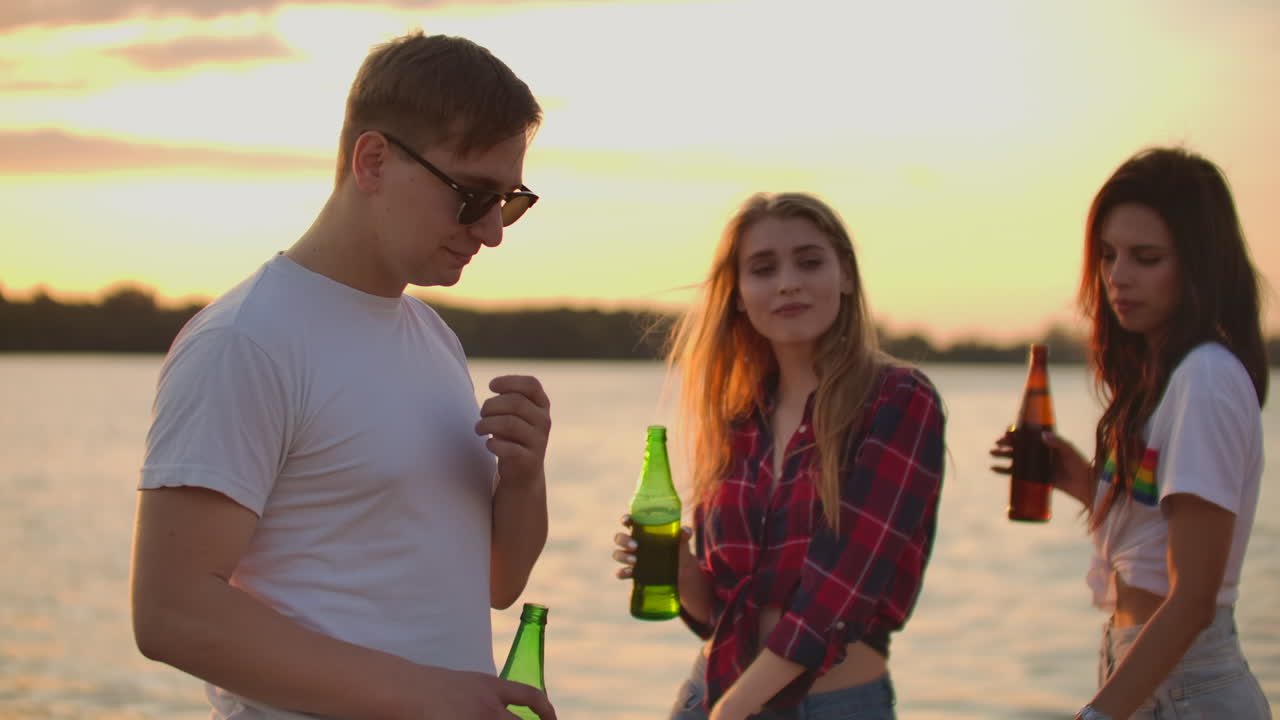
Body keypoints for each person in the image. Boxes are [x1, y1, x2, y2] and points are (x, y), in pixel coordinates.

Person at [130, 31, 557, 720]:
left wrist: (525, 478)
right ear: (373, 160)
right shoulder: (247, 340)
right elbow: (172, 613)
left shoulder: (434, 339)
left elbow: (496, 584)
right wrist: (432, 694)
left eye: (509, 201)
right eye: (472, 195)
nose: (492, 231)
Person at [614, 192, 947, 719]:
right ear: (739, 294)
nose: (788, 282)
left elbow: (842, 588)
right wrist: (681, 570)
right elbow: (720, 613)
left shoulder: (898, 399)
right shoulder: (737, 417)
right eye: (764, 269)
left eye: (809, 262)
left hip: (827, 707)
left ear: (845, 275)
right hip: (711, 693)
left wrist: (736, 707)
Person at [991, 147, 1272, 720]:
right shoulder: (1162, 378)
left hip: (1184, 686)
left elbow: (1193, 597)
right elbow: (1153, 542)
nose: (1117, 276)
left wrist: (1096, 715)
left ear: (1199, 266)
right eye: (1108, 255)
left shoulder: (1206, 379)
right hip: (1151, 674)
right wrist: (1082, 480)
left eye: (1146, 258)